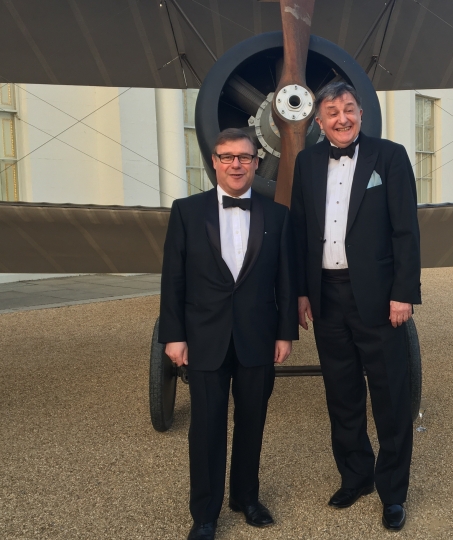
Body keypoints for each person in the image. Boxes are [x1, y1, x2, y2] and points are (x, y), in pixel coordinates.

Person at [290, 82, 421, 531]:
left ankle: (393, 492)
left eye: (348, 109)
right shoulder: (306, 162)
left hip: (380, 298)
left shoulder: (390, 157)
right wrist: (301, 291)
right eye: (332, 112)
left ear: (361, 113)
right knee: (341, 393)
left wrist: (403, 292)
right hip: (325, 295)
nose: (341, 118)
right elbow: (301, 230)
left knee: (390, 395)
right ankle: (355, 476)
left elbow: (406, 229)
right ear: (319, 121)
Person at [158, 128, 297, 540]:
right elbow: (174, 280)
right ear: (214, 162)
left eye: (244, 157)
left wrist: (285, 333)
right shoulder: (186, 211)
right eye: (227, 157)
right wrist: (173, 335)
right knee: (206, 428)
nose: (236, 164)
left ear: (257, 163)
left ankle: (246, 498)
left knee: (252, 423)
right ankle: (205, 513)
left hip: (258, 336)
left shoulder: (277, 215)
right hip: (204, 338)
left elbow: (285, 281)